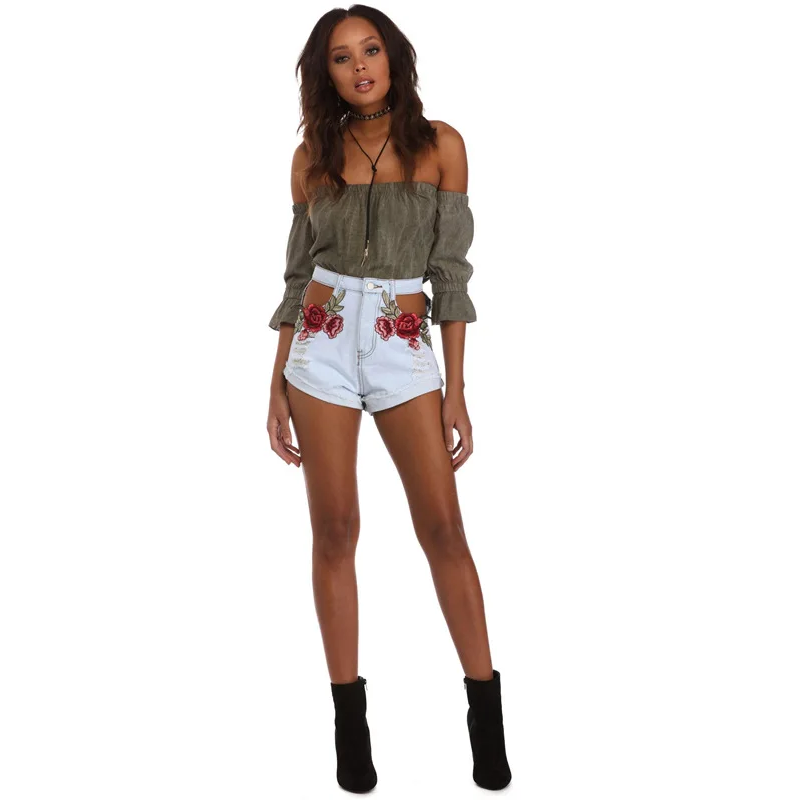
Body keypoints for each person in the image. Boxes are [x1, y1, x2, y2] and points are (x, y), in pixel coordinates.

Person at [266, 6, 512, 793]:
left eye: (370, 50)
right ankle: (350, 726)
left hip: (404, 344)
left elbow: (451, 276)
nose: (360, 67)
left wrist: (456, 390)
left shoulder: (441, 145)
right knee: (335, 530)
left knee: (444, 529)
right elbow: (297, 276)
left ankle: (485, 715)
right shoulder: (312, 156)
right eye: (341, 58)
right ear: (325, 74)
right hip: (321, 342)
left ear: (394, 57)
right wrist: (276, 378)